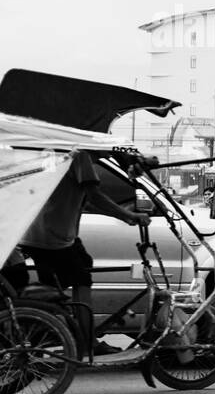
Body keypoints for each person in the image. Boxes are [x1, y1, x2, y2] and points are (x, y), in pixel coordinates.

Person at [18, 150, 150, 357]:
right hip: (54, 237)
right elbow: (93, 195)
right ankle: (86, 341)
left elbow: (85, 201)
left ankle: (44, 330)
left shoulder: (60, 151)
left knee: (72, 270)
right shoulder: (81, 156)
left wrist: (121, 213)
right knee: (82, 280)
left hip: (38, 233)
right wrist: (127, 215)